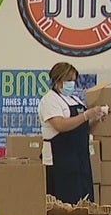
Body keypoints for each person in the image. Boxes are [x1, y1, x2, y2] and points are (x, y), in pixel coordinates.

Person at [38, 62, 106, 204]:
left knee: (84, 200)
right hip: (60, 160)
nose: (72, 84)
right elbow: (60, 125)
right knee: (64, 201)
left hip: (80, 160)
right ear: (57, 81)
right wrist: (86, 115)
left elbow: (83, 128)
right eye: (68, 80)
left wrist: (95, 119)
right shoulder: (49, 100)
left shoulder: (74, 99)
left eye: (74, 81)